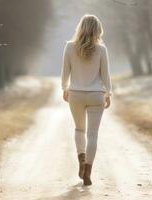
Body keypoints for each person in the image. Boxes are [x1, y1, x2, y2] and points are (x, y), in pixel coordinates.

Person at [61, 14, 112, 186]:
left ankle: (81, 160)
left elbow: (65, 74)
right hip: (96, 95)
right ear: (98, 29)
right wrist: (108, 93)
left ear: (80, 27)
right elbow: (106, 76)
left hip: (75, 94)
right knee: (93, 135)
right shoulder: (101, 49)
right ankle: (88, 170)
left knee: (79, 130)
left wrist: (64, 89)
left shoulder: (69, 47)